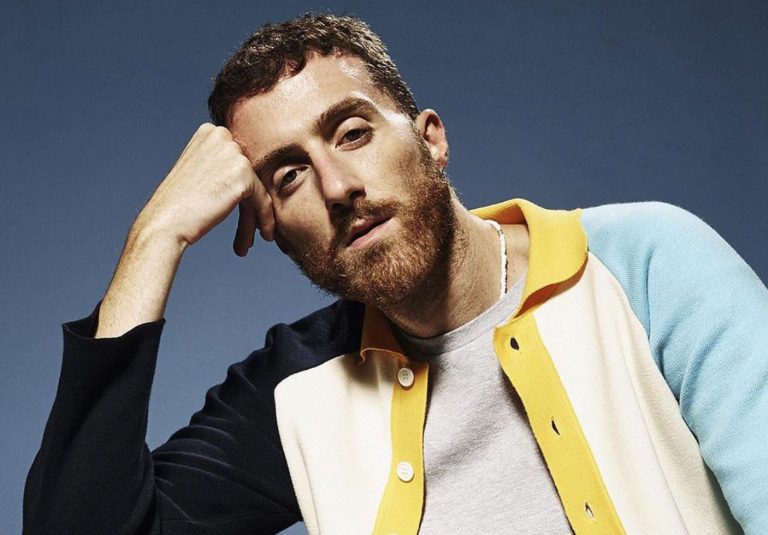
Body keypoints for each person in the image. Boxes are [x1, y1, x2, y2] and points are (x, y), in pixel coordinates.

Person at [23, 13, 767, 535]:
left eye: (352, 132)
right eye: (289, 176)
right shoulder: (300, 388)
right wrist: (155, 237)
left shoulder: (646, 264)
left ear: (430, 140)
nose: (337, 185)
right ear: (268, 225)